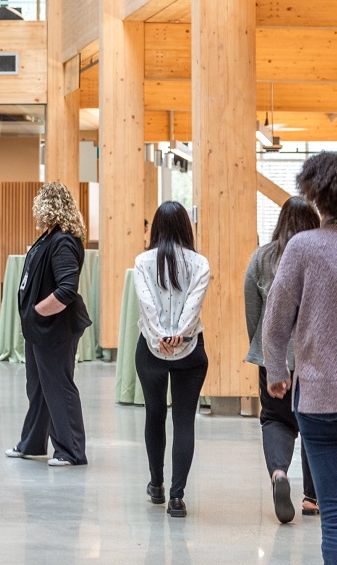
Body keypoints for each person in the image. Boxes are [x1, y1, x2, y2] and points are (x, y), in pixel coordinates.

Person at [264, 151, 337, 563]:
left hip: (318, 399)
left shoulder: (302, 247)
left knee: (336, 516)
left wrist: (276, 371)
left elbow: (275, 320)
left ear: (317, 197)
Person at [5, 182, 91, 467]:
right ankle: (32, 443)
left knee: (58, 386)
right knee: (39, 387)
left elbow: (67, 289)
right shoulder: (50, 236)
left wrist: (37, 311)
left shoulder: (63, 240)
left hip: (56, 328)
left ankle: (71, 451)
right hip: (40, 329)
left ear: (48, 204)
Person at [244, 196, 319, 523]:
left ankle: (279, 474)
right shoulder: (322, 256)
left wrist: (263, 350)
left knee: (276, 420)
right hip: (314, 358)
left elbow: (252, 311)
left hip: (273, 360)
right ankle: (312, 499)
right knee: (315, 421)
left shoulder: (262, 258)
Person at [133, 201, 209, 518]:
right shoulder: (200, 263)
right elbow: (194, 304)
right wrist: (178, 334)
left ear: (156, 229)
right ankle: (177, 498)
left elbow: (147, 304)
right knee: (184, 421)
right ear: (186, 228)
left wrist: (160, 337)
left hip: (152, 350)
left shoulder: (142, 261)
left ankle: (157, 485)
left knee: (154, 415)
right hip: (190, 349)